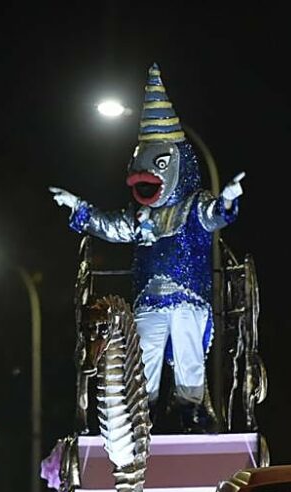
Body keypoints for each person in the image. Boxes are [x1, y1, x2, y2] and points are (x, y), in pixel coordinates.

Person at [50, 64, 245, 432]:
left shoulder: (193, 207)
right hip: (149, 300)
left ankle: (191, 411)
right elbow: (110, 226)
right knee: (145, 356)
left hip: (190, 299)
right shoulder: (139, 218)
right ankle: (146, 411)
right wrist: (78, 207)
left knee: (189, 356)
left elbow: (216, 215)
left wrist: (228, 201)